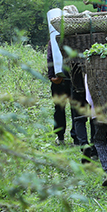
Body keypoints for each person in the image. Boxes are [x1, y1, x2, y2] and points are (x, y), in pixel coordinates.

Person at [45, 8, 74, 145]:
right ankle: (72, 137)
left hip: (63, 80)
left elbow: (50, 57)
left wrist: (53, 76)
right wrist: (53, 76)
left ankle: (62, 137)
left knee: (62, 109)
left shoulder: (55, 36)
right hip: (70, 80)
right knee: (72, 109)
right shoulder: (76, 37)